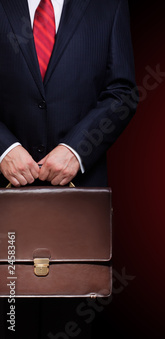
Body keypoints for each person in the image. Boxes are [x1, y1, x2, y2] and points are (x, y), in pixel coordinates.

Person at [0, 0, 137, 337]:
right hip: (3, 204)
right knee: (8, 320)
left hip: (78, 207)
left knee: (73, 324)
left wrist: (78, 149)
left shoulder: (109, 6)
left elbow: (121, 92)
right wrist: (2, 147)